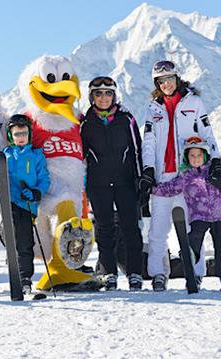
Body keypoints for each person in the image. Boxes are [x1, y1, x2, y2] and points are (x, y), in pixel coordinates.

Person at [140, 60, 221, 291]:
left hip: (188, 176)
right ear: (157, 83)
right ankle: (158, 273)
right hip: (163, 177)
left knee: (192, 227)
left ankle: (195, 273)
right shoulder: (153, 109)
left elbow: (208, 133)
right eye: (161, 81)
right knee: (158, 229)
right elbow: (149, 141)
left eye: (170, 79)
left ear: (177, 78)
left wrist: (214, 161)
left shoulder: (194, 102)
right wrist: (148, 169)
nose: (166, 84)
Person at [80, 76, 144, 291]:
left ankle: (135, 272)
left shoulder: (127, 119)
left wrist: (141, 179)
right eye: (98, 94)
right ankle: (108, 272)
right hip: (98, 183)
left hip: (125, 181)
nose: (104, 98)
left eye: (108, 93)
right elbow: (81, 156)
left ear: (114, 96)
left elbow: (137, 150)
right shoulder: (85, 123)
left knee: (130, 227)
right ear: (92, 97)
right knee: (104, 228)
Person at [153, 137, 221, 294]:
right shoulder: (186, 177)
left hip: (220, 216)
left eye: (199, 155)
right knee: (194, 240)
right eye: (192, 156)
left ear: (205, 156)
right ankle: (192, 271)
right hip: (199, 216)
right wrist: (151, 188)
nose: (196, 159)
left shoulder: (215, 171)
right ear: (187, 157)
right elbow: (169, 188)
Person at [0, 114, 50, 295]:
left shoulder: (36, 155)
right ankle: (14, 263)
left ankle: (25, 277)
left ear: (29, 134)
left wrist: (36, 192)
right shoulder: (5, 155)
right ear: (11, 136)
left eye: (24, 134)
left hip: (27, 204)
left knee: (25, 241)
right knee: (11, 234)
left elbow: (43, 178)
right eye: (17, 134)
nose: (20, 138)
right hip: (9, 201)